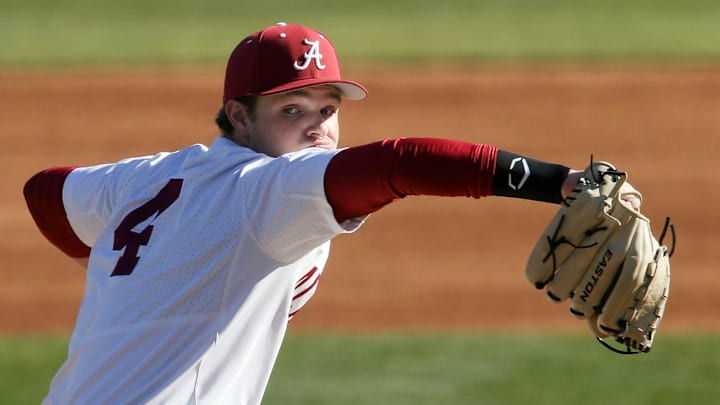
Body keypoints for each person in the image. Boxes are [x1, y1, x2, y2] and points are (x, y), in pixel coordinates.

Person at [24, 22, 584, 404]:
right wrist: (560, 183)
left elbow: (46, 193)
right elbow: (400, 164)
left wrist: (113, 269)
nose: (317, 126)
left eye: (328, 108)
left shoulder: (150, 175)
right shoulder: (266, 190)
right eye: (291, 109)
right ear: (239, 117)